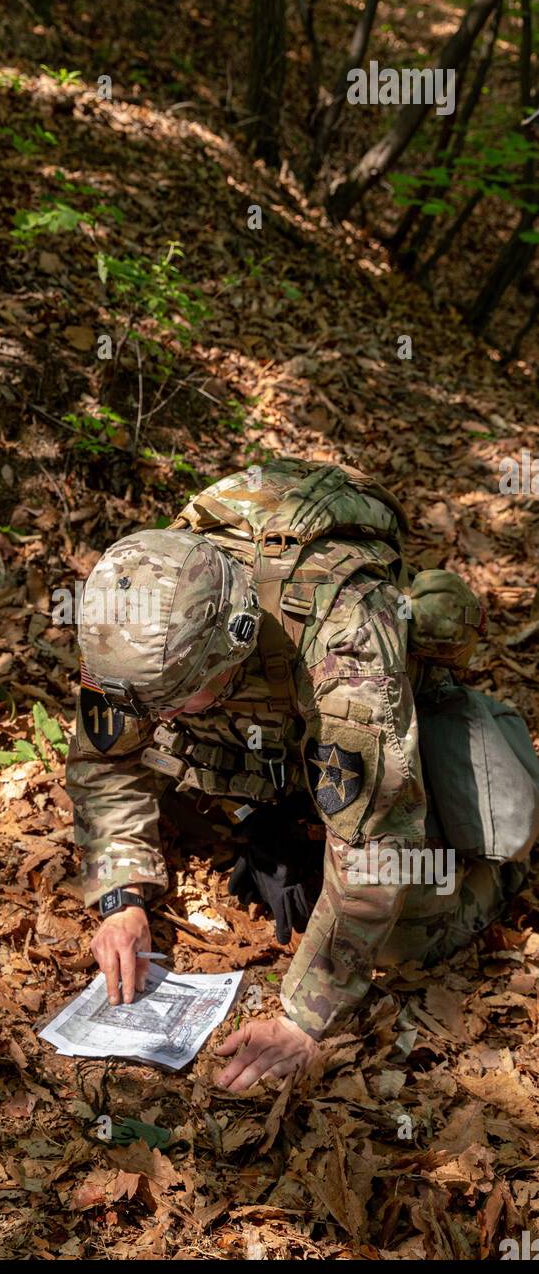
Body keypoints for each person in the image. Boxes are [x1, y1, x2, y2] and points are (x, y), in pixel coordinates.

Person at [65, 457, 537, 1091]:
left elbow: (377, 842)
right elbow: (105, 759)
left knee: (401, 932)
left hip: (375, 728)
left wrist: (304, 1019)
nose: (160, 718)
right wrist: (121, 899)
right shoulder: (136, 617)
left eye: (177, 701)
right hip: (272, 741)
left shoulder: (347, 636)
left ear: (233, 647)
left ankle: (499, 872)